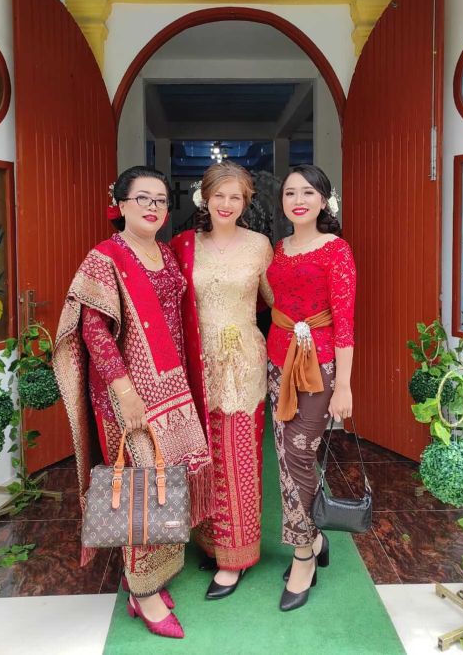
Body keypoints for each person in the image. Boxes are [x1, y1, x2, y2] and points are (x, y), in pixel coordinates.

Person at [53, 166, 213, 639]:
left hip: (172, 389)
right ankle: (142, 596)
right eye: (142, 198)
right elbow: (92, 331)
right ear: (120, 205)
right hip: (129, 394)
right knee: (141, 486)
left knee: (167, 481)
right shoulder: (104, 257)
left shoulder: (164, 251)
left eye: (161, 200)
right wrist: (125, 390)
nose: (153, 207)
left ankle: (150, 575)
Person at [171, 161, 273, 600]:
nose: (226, 204)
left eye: (236, 197)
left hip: (242, 362)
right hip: (198, 361)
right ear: (204, 198)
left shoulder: (260, 245)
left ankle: (235, 558)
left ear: (245, 201)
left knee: (238, 457)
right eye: (219, 195)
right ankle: (210, 542)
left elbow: (277, 301)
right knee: (203, 455)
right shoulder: (183, 245)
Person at [266, 164, 356, 612]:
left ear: (324, 200)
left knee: (301, 453)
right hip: (277, 361)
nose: (298, 199)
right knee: (284, 452)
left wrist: (346, 386)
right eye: (289, 193)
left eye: (307, 192)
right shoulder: (277, 250)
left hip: (320, 367)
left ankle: (303, 552)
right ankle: (315, 539)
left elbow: (345, 322)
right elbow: (271, 298)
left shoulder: (337, 250)